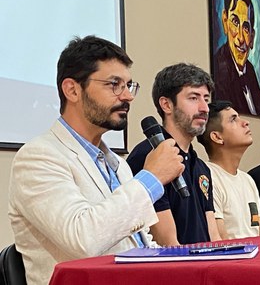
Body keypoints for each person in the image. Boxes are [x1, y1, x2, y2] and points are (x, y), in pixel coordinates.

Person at [8, 36, 184, 285]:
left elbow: (139, 242)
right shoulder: (38, 157)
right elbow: (83, 239)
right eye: (114, 84)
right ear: (72, 90)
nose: (128, 96)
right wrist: (151, 179)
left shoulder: (118, 165)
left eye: (129, 85)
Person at [127, 63, 221, 246]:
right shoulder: (149, 156)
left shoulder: (201, 166)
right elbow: (167, 243)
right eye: (194, 98)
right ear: (167, 105)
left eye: (206, 99)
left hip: (205, 266)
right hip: (174, 269)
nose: (205, 108)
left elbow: (213, 236)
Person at [197, 100, 260, 239]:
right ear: (217, 137)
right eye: (233, 120)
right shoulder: (208, 177)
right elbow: (220, 240)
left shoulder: (247, 179)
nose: (245, 123)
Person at [213, 0, 260, 117]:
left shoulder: (250, 71)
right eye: (235, 22)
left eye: (246, 28)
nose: (241, 38)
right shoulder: (220, 69)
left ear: (252, 37)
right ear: (225, 21)